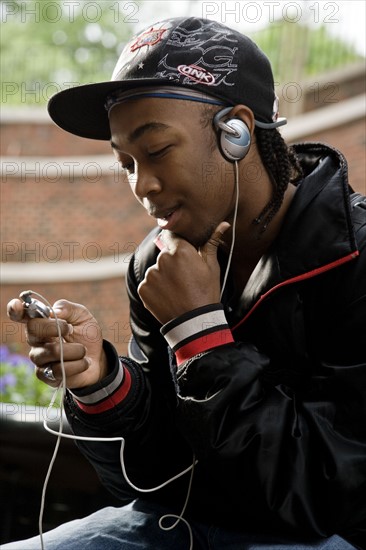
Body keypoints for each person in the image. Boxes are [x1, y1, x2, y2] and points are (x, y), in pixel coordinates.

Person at [4, 16, 366, 550]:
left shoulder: (354, 256)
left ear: (237, 132)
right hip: (182, 527)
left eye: (156, 151)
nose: (142, 186)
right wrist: (101, 380)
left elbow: (333, 495)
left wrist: (198, 333)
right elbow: (155, 476)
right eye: (125, 162)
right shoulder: (158, 264)